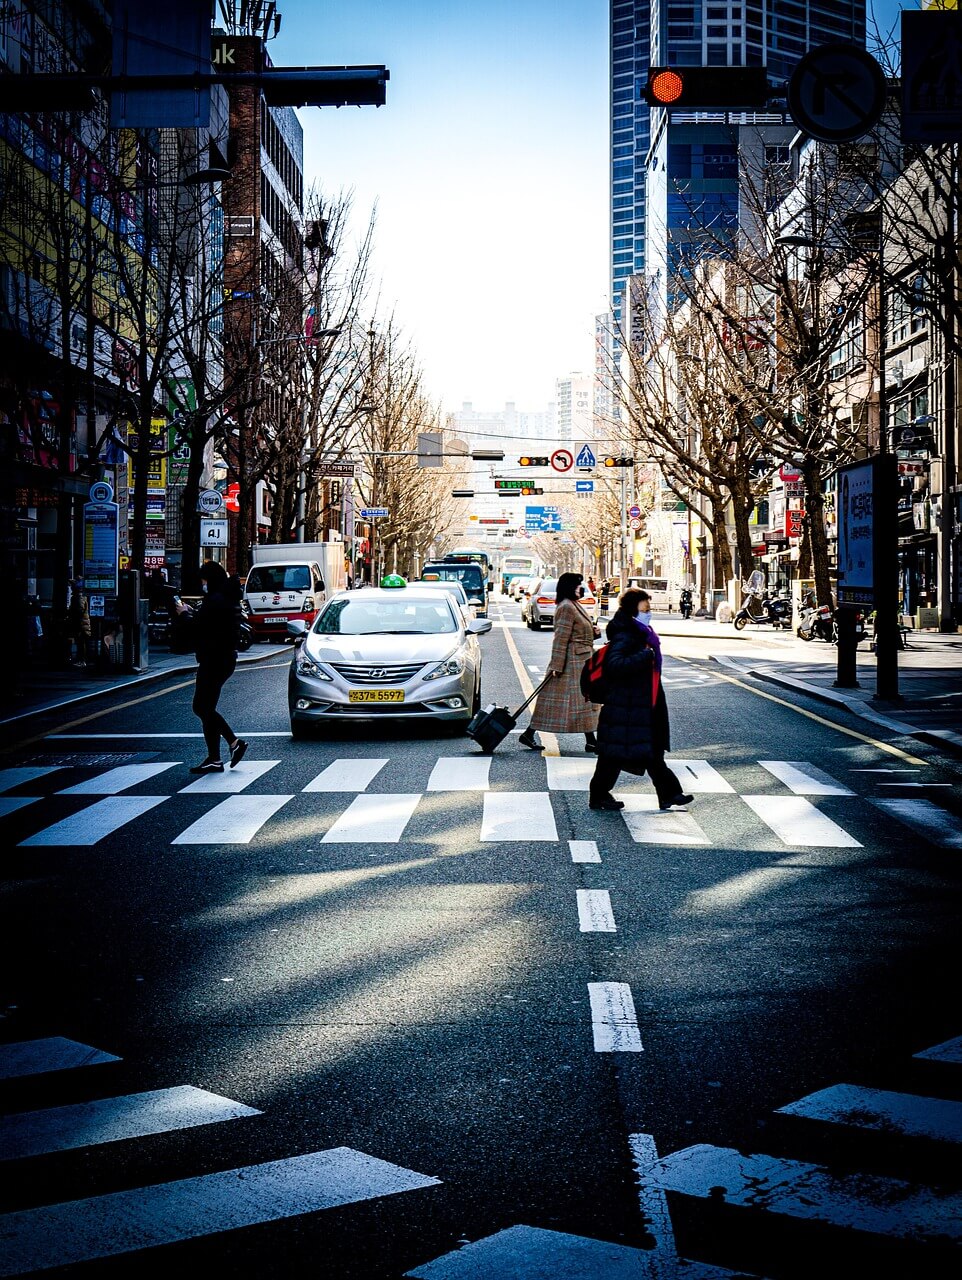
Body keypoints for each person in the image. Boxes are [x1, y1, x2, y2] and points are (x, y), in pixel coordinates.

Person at [588, 587, 693, 812]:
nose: (649, 613)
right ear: (632, 610)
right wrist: (645, 656)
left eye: (649, 609)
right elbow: (615, 665)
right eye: (645, 609)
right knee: (612, 755)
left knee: (651, 750)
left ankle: (669, 794)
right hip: (625, 705)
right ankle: (598, 795)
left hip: (641, 704)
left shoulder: (640, 632)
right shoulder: (626, 634)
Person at [174, 561, 248, 774]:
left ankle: (234, 743)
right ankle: (214, 759)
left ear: (211, 579)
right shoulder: (227, 598)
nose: (203, 584)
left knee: (201, 707)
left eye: (204, 580)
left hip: (214, 659)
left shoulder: (215, 600)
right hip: (223, 658)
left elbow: (199, 628)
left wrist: (184, 614)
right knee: (206, 708)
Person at [519, 571, 601, 753]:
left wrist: (593, 632)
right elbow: (560, 638)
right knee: (568, 700)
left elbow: (578, 632)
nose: (581, 588)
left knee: (578, 701)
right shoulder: (566, 607)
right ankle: (591, 740)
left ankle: (591, 740)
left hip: (582, 659)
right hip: (571, 663)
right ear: (570, 587)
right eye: (578, 585)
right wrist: (557, 665)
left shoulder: (573, 604)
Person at [65, 578, 91, 667]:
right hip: (82, 623)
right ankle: (81, 660)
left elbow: (79, 610)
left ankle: (82, 660)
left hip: (80, 623)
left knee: (81, 642)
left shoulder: (78, 597)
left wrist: (70, 612)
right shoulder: (80, 596)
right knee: (81, 642)